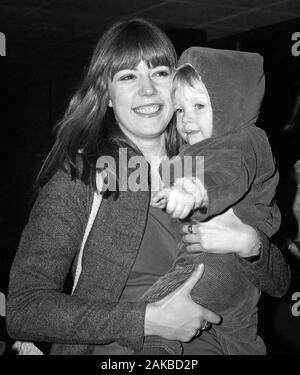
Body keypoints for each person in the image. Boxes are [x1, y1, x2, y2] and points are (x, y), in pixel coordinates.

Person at [6, 18, 290, 355]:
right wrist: (147, 319)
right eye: (128, 76)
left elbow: (279, 282)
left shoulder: (207, 166)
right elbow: (25, 309)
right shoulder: (84, 176)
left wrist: (251, 245)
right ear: (107, 95)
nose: (148, 90)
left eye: (159, 72)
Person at [139, 48, 281, 355]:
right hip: (240, 284)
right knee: (241, 340)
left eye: (199, 106)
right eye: (180, 110)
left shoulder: (239, 141)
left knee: (151, 318)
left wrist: (194, 192)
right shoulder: (197, 151)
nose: (187, 119)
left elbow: (226, 175)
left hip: (212, 267)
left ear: (230, 105)